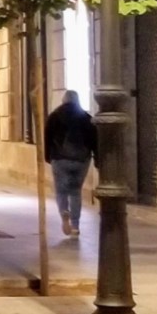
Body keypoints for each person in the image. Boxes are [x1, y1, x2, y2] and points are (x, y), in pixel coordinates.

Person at [43, 89, 97, 237]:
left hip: (60, 159)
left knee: (61, 191)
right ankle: (75, 226)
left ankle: (64, 212)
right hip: (81, 160)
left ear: (64, 100)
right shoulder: (86, 118)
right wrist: (97, 159)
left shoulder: (54, 116)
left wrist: (47, 157)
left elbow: (47, 137)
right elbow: (94, 140)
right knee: (75, 192)